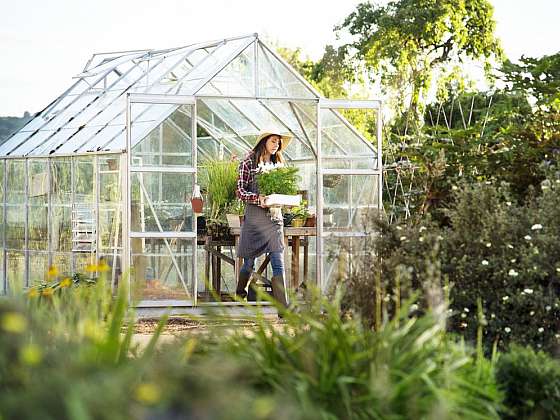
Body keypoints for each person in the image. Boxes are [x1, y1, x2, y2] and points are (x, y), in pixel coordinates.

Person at [235, 129, 293, 309]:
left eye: (279, 143)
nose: (277, 145)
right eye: (274, 141)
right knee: (249, 264)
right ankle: (240, 293)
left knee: (278, 260)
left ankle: (283, 307)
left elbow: (286, 191)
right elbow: (239, 191)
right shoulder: (248, 162)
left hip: (274, 219)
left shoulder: (280, 165)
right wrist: (257, 199)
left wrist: (286, 201)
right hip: (254, 221)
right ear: (265, 141)